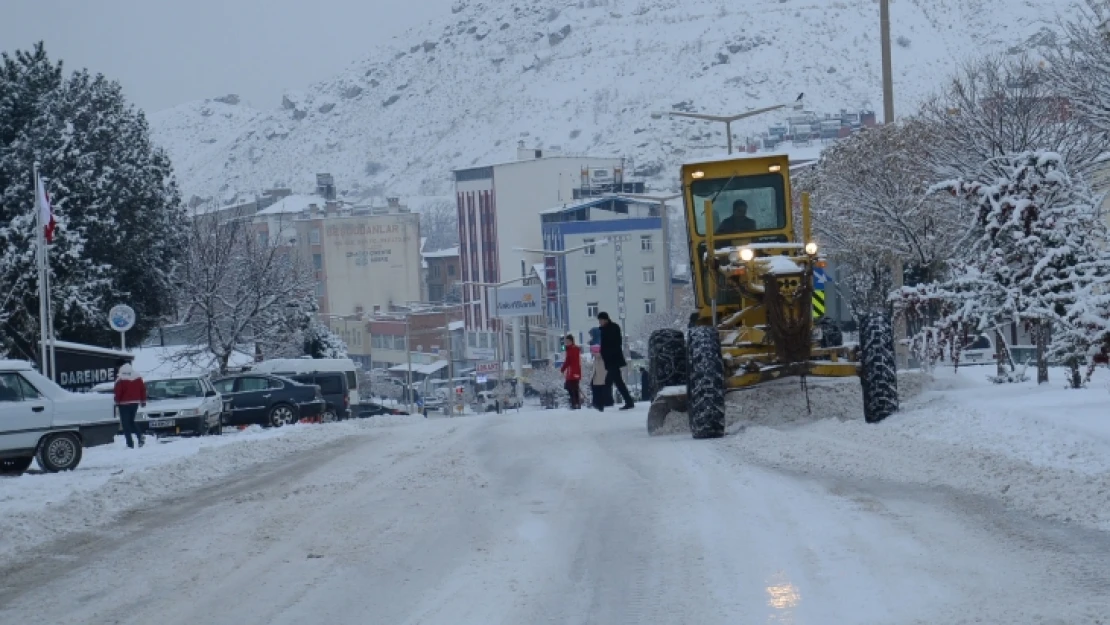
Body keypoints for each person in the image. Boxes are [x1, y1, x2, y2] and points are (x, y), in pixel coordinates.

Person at [597, 312, 635, 410]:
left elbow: (613, 344)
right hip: (610, 360)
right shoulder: (606, 329)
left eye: (601, 320)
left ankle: (626, 401)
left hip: (613, 359)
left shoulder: (612, 328)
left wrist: (607, 354)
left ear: (605, 319)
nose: (600, 322)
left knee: (616, 382)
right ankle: (609, 401)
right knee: (611, 381)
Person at [113, 363, 147, 448]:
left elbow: (118, 391)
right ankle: (139, 436)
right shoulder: (137, 376)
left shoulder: (120, 377)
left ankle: (130, 444)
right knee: (131, 421)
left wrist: (117, 401)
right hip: (135, 403)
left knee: (125, 424)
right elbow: (142, 389)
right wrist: (143, 401)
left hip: (124, 404)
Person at [560, 334, 582, 409]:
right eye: (566, 341)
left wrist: (563, 368)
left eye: (568, 341)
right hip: (575, 371)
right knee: (574, 387)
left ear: (572, 341)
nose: (567, 343)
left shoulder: (572, 349)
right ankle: (576, 403)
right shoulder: (573, 349)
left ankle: (574, 403)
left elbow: (568, 360)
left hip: (573, 371)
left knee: (571, 387)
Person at [588, 344, 613, 411]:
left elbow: (595, 370)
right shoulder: (600, 358)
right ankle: (603, 404)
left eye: (592, 351)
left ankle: (598, 405)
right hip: (602, 380)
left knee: (599, 395)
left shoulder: (599, 358)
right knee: (604, 395)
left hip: (599, 380)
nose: (592, 353)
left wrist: (591, 379)